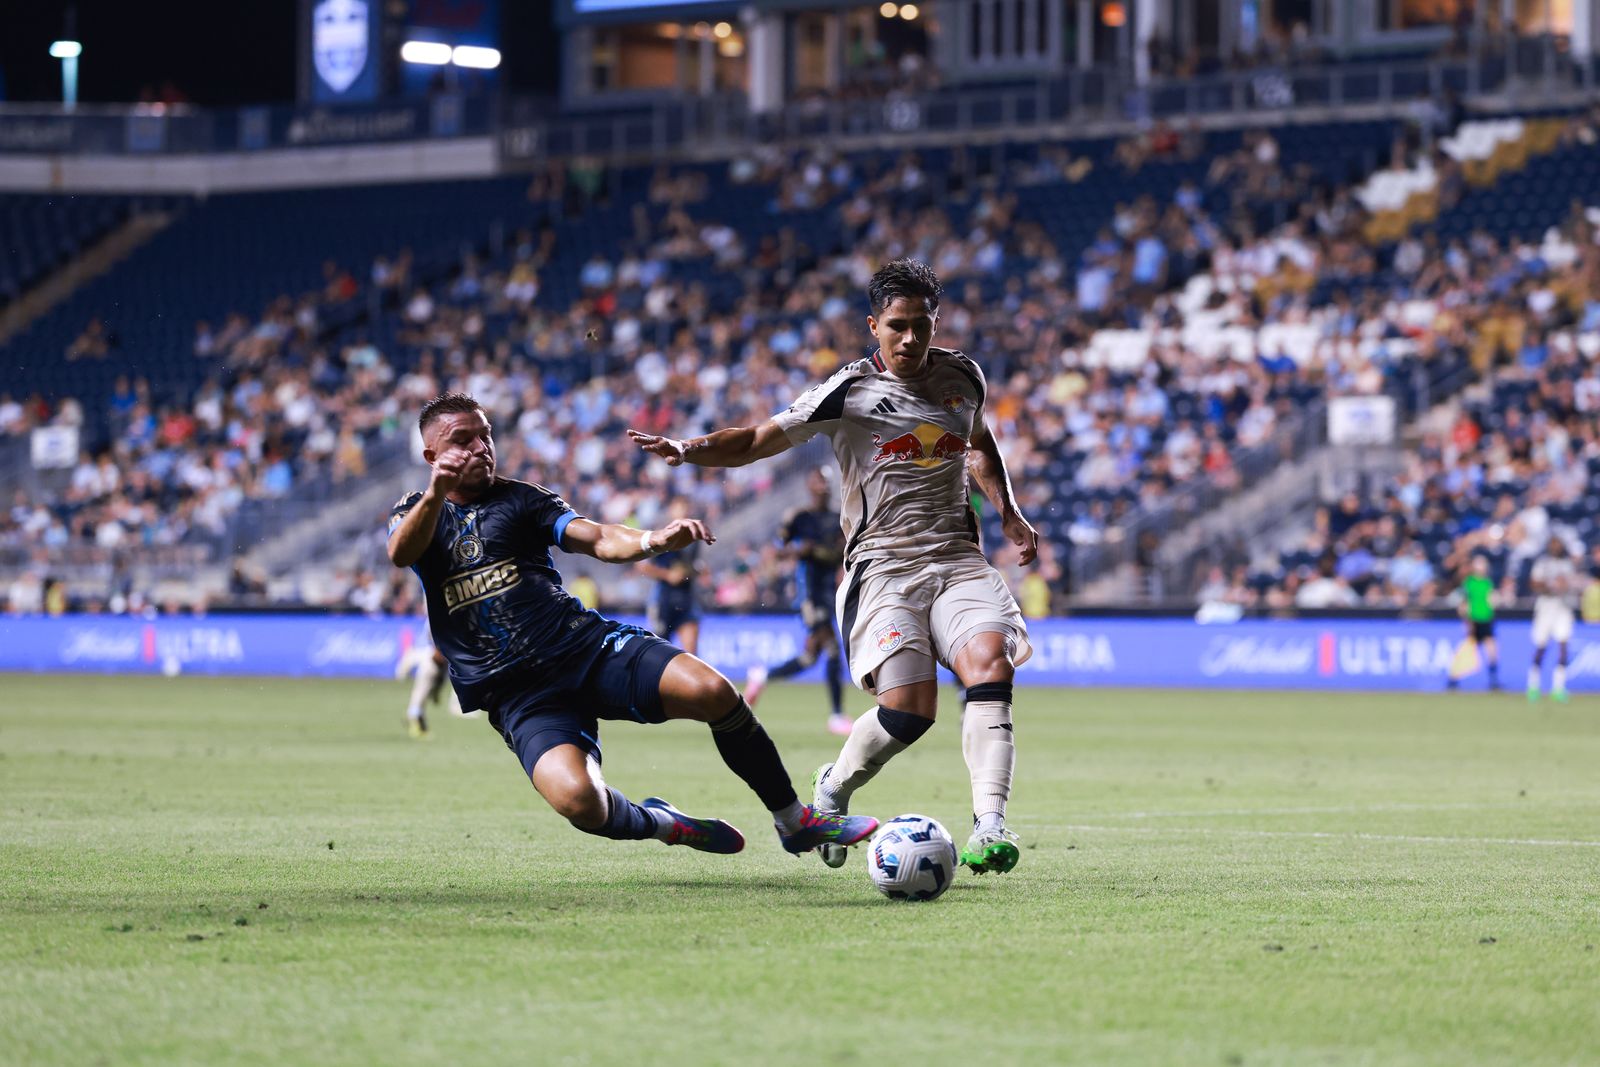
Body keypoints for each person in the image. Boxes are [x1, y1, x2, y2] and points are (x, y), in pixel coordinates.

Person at [630, 258, 1039, 876]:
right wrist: (687, 449)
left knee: (990, 665)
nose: (909, 339)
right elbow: (756, 439)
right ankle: (832, 790)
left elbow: (979, 444)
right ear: (873, 326)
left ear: (936, 323)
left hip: (958, 560)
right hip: (883, 567)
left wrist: (1007, 511)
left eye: (921, 326)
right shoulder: (846, 391)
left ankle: (991, 824)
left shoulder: (964, 377)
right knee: (910, 713)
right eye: (896, 326)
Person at [387, 392, 878, 857]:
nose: (480, 448)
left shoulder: (522, 500)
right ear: (432, 456)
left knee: (713, 690)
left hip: (585, 649)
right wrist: (436, 493)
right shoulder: (415, 512)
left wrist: (649, 542)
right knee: (582, 803)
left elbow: (597, 537)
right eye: (462, 440)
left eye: (485, 435)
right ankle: (668, 824)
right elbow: (401, 552)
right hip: (516, 694)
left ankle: (794, 821)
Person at [744, 468, 852, 736]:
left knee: (809, 658)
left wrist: (829, 553)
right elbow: (776, 550)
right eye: (818, 481)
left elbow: (845, 550)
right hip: (809, 593)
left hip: (830, 590)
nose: (823, 486)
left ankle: (762, 676)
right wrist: (796, 551)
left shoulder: (838, 516)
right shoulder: (798, 517)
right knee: (831, 650)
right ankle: (836, 716)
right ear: (809, 486)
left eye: (825, 482)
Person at [637, 497, 703, 655]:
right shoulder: (660, 534)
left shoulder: (695, 538)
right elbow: (642, 566)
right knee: (661, 653)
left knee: (692, 654)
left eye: (686, 508)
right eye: (679, 508)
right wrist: (667, 575)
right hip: (663, 600)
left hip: (687, 599)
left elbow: (691, 565)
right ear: (671, 511)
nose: (683, 512)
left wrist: (697, 570)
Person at [1528, 537, 1578, 702]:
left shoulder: (1567, 564)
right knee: (1541, 646)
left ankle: (1559, 687)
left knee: (1563, 645)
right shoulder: (1542, 563)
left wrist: (1562, 585)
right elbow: (1534, 583)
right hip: (1545, 607)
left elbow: (1570, 584)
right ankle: (1533, 685)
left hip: (1562, 607)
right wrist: (1549, 585)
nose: (1556, 547)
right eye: (1553, 544)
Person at [1448, 554, 1500, 691]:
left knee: (1492, 650)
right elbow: (1464, 603)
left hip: (1486, 619)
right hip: (1473, 620)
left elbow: (1491, 600)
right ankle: (1453, 678)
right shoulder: (1469, 583)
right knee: (1466, 650)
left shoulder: (1488, 582)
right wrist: (1466, 620)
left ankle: (1494, 680)